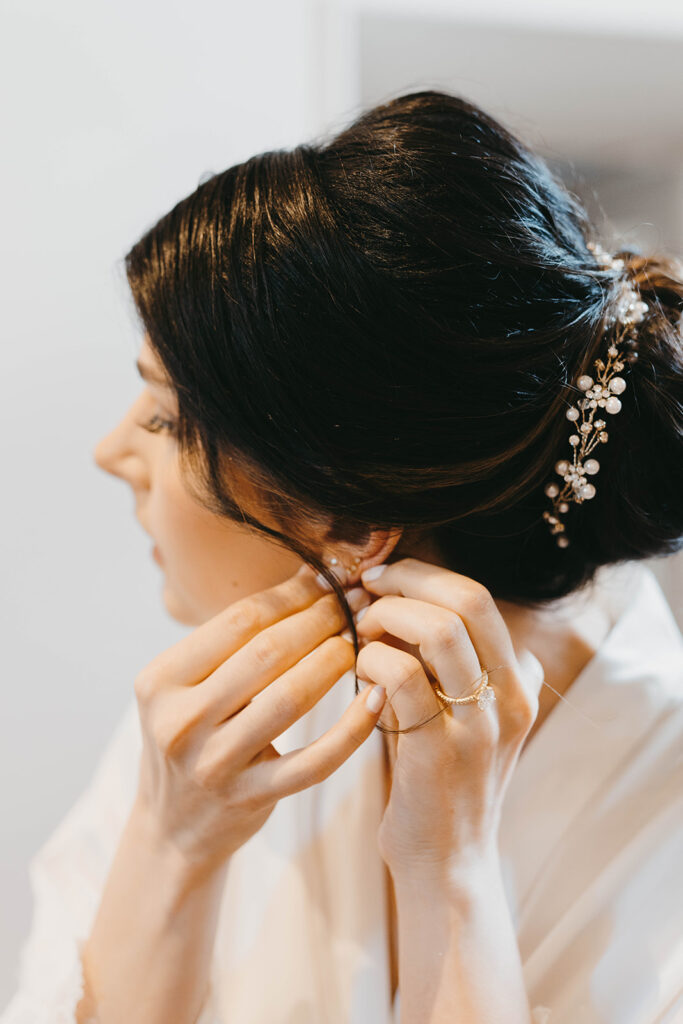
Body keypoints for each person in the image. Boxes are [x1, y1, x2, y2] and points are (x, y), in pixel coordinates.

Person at [2, 89, 682, 1024]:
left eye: (164, 417)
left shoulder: (659, 789)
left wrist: (451, 872)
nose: (111, 451)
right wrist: (171, 839)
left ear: (358, 529)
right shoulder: (211, 730)